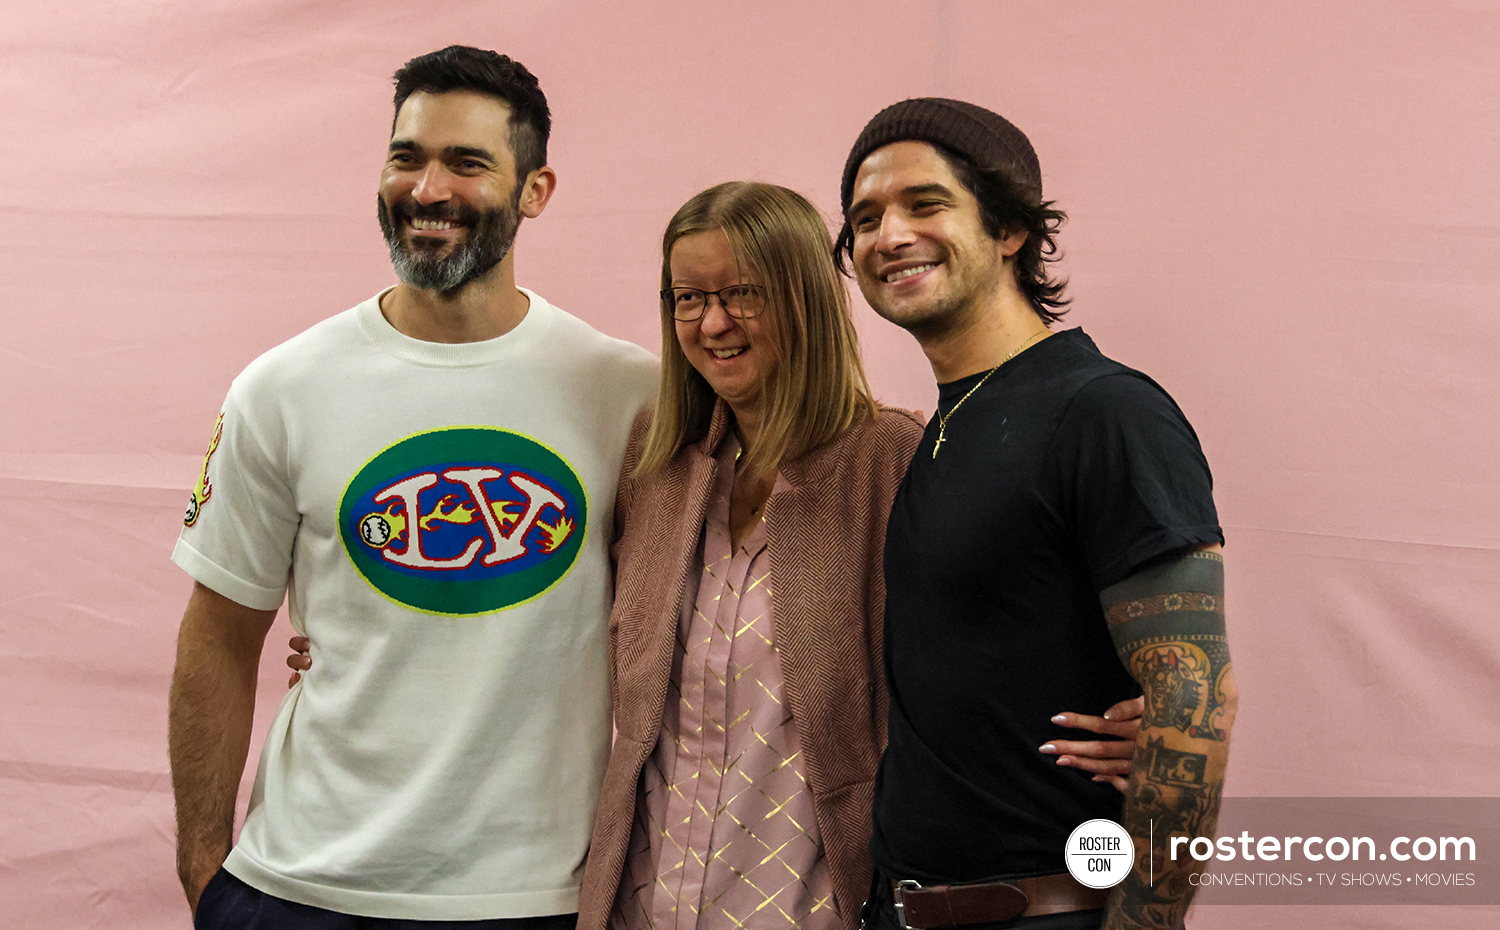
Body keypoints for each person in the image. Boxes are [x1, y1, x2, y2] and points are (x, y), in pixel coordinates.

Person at [558, 182, 1144, 930]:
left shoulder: (895, 459)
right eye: (687, 297)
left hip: (820, 904)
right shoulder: (657, 468)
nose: (712, 323)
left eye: (743, 293)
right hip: (643, 903)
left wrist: (1146, 708)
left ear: (806, 297)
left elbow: (991, 639)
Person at [167, 46, 656, 928]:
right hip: (302, 886)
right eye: (407, 156)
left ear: (535, 189)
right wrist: (205, 871)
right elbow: (218, 639)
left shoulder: (629, 395)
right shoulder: (281, 390)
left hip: (539, 896)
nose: (428, 190)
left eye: (467, 163)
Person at [837, 99, 1236, 930]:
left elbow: (1192, 705)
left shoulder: (1105, 412)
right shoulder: (946, 425)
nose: (889, 235)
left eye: (925, 203)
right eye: (865, 218)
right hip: (904, 908)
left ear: (1010, 227)